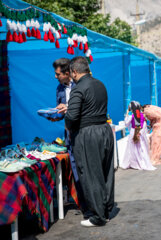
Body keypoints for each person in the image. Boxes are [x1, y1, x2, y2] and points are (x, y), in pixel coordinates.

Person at [64, 56, 114, 227]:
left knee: (91, 175)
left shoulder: (78, 89)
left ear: (75, 72)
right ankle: (106, 210)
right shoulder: (100, 84)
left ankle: (98, 217)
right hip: (105, 130)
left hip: (88, 134)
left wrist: (67, 120)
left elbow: (72, 117)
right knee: (106, 172)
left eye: (71, 73)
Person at [52, 58, 89, 213]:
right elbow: (61, 112)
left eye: (58, 74)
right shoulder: (59, 89)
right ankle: (83, 205)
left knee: (86, 168)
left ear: (68, 73)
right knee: (75, 169)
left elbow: (84, 108)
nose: (55, 77)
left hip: (84, 134)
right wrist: (54, 114)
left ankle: (92, 202)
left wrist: (68, 108)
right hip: (69, 135)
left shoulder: (81, 85)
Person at [120, 101, 156, 171]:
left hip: (133, 132)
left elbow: (126, 123)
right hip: (140, 133)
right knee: (141, 148)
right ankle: (142, 162)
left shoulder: (131, 116)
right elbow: (144, 126)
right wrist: (140, 132)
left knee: (132, 149)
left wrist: (127, 113)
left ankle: (134, 163)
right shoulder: (142, 116)